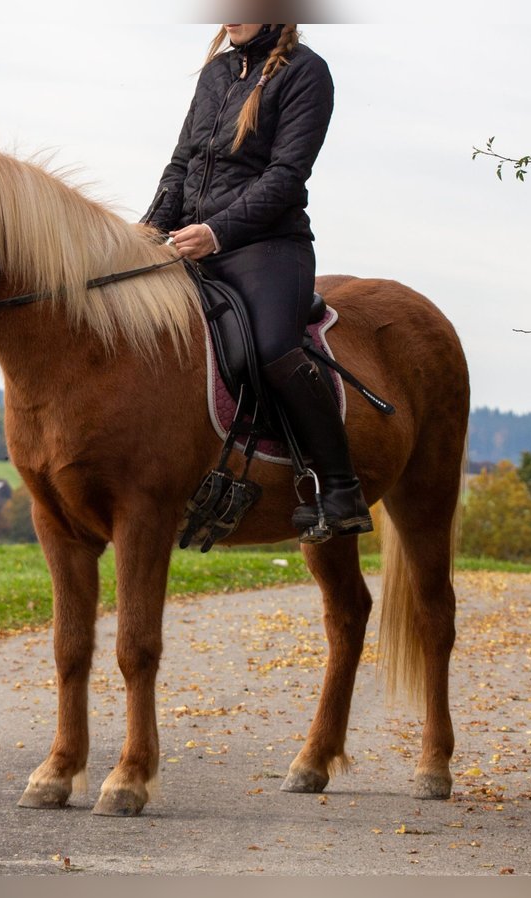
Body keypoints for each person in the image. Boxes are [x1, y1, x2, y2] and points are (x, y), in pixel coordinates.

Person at [144, 22, 372, 542]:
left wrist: (217, 231)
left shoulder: (307, 73)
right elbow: (182, 164)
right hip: (195, 241)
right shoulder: (216, 73)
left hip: (268, 246)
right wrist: (147, 231)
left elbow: (286, 175)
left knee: (269, 349)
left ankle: (340, 487)